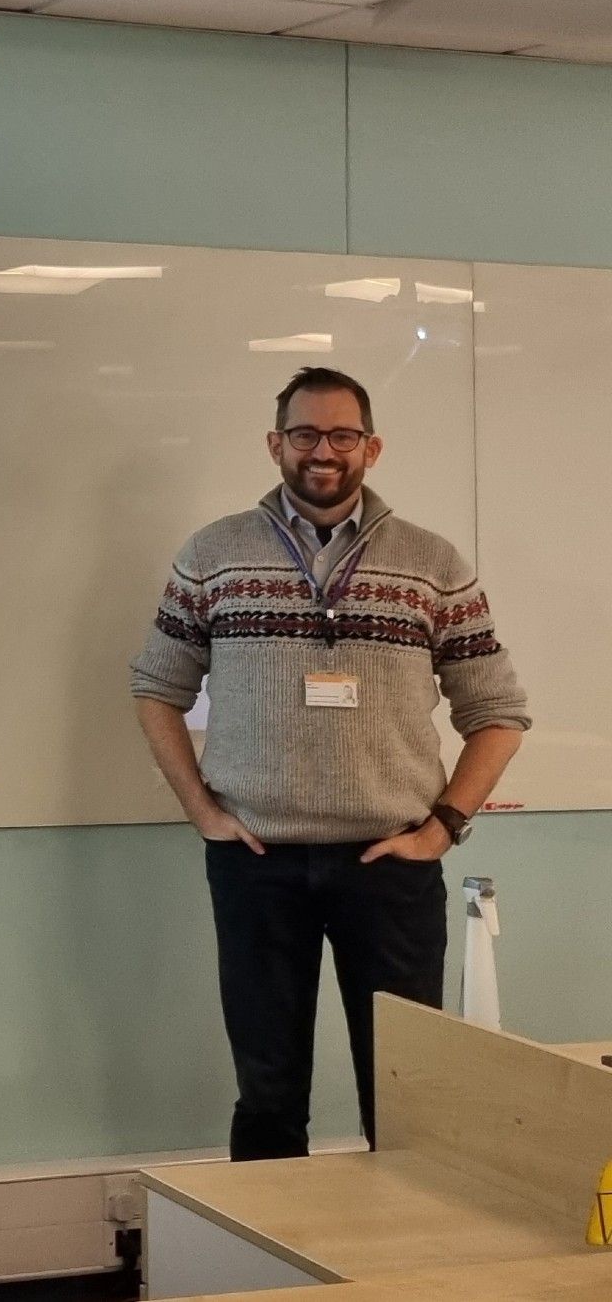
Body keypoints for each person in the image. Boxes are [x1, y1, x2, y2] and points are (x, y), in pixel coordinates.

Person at [130, 367, 529, 1161]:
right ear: (276, 444)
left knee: (406, 1092)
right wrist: (204, 812)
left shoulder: (431, 563)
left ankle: (406, 1274)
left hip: (390, 863)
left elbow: (498, 712)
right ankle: (272, 1276)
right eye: (305, 434)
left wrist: (445, 826)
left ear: (371, 448)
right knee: (269, 1092)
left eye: (342, 435)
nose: (323, 451)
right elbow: (155, 687)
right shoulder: (213, 554)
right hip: (256, 862)